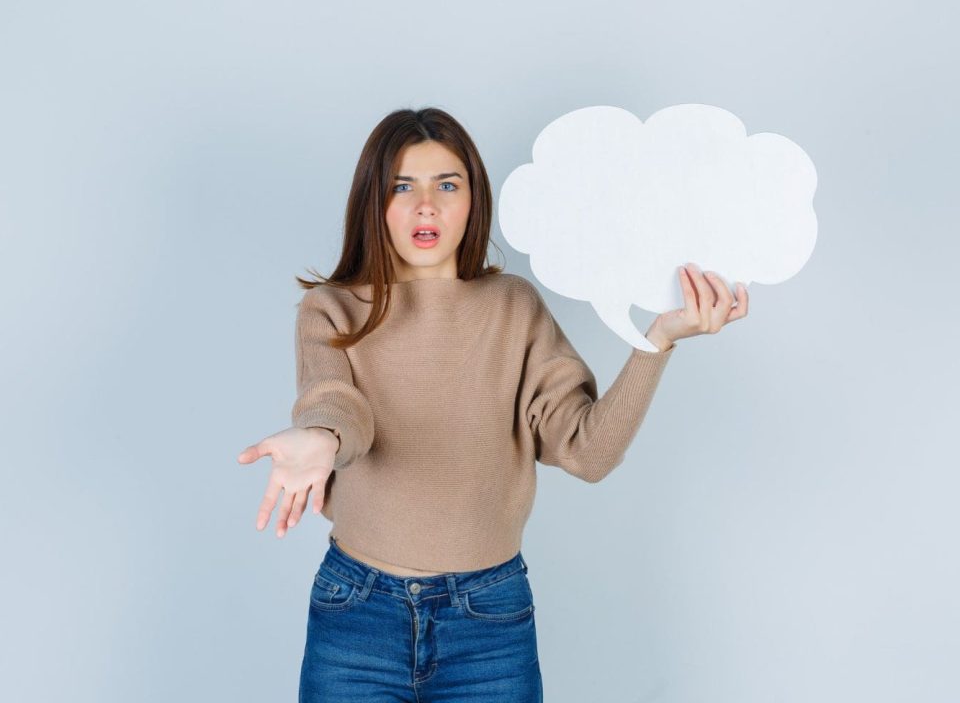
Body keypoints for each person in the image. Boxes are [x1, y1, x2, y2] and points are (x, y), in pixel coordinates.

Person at [237, 107, 748, 702]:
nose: (426, 204)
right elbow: (338, 402)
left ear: (473, 201)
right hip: (357, 615)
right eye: (403, 186)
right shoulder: (333, 309)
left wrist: (657, 340)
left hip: (488, 623)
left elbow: (588, 452)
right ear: (373, 202)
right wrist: (321, 436)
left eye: (446, 185)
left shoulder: (513, 309)